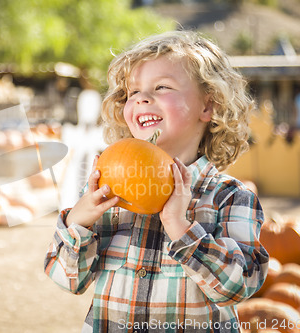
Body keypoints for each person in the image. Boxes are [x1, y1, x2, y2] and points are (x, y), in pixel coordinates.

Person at [44, 30, 269, 332]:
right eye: (131, 92)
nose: (141, 98)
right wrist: (78, 223)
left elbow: (239, 285)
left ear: (207, 106)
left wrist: (181, 227)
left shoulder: (229, 196)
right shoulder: (105, 192)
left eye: (161, 87)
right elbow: (68, 280)